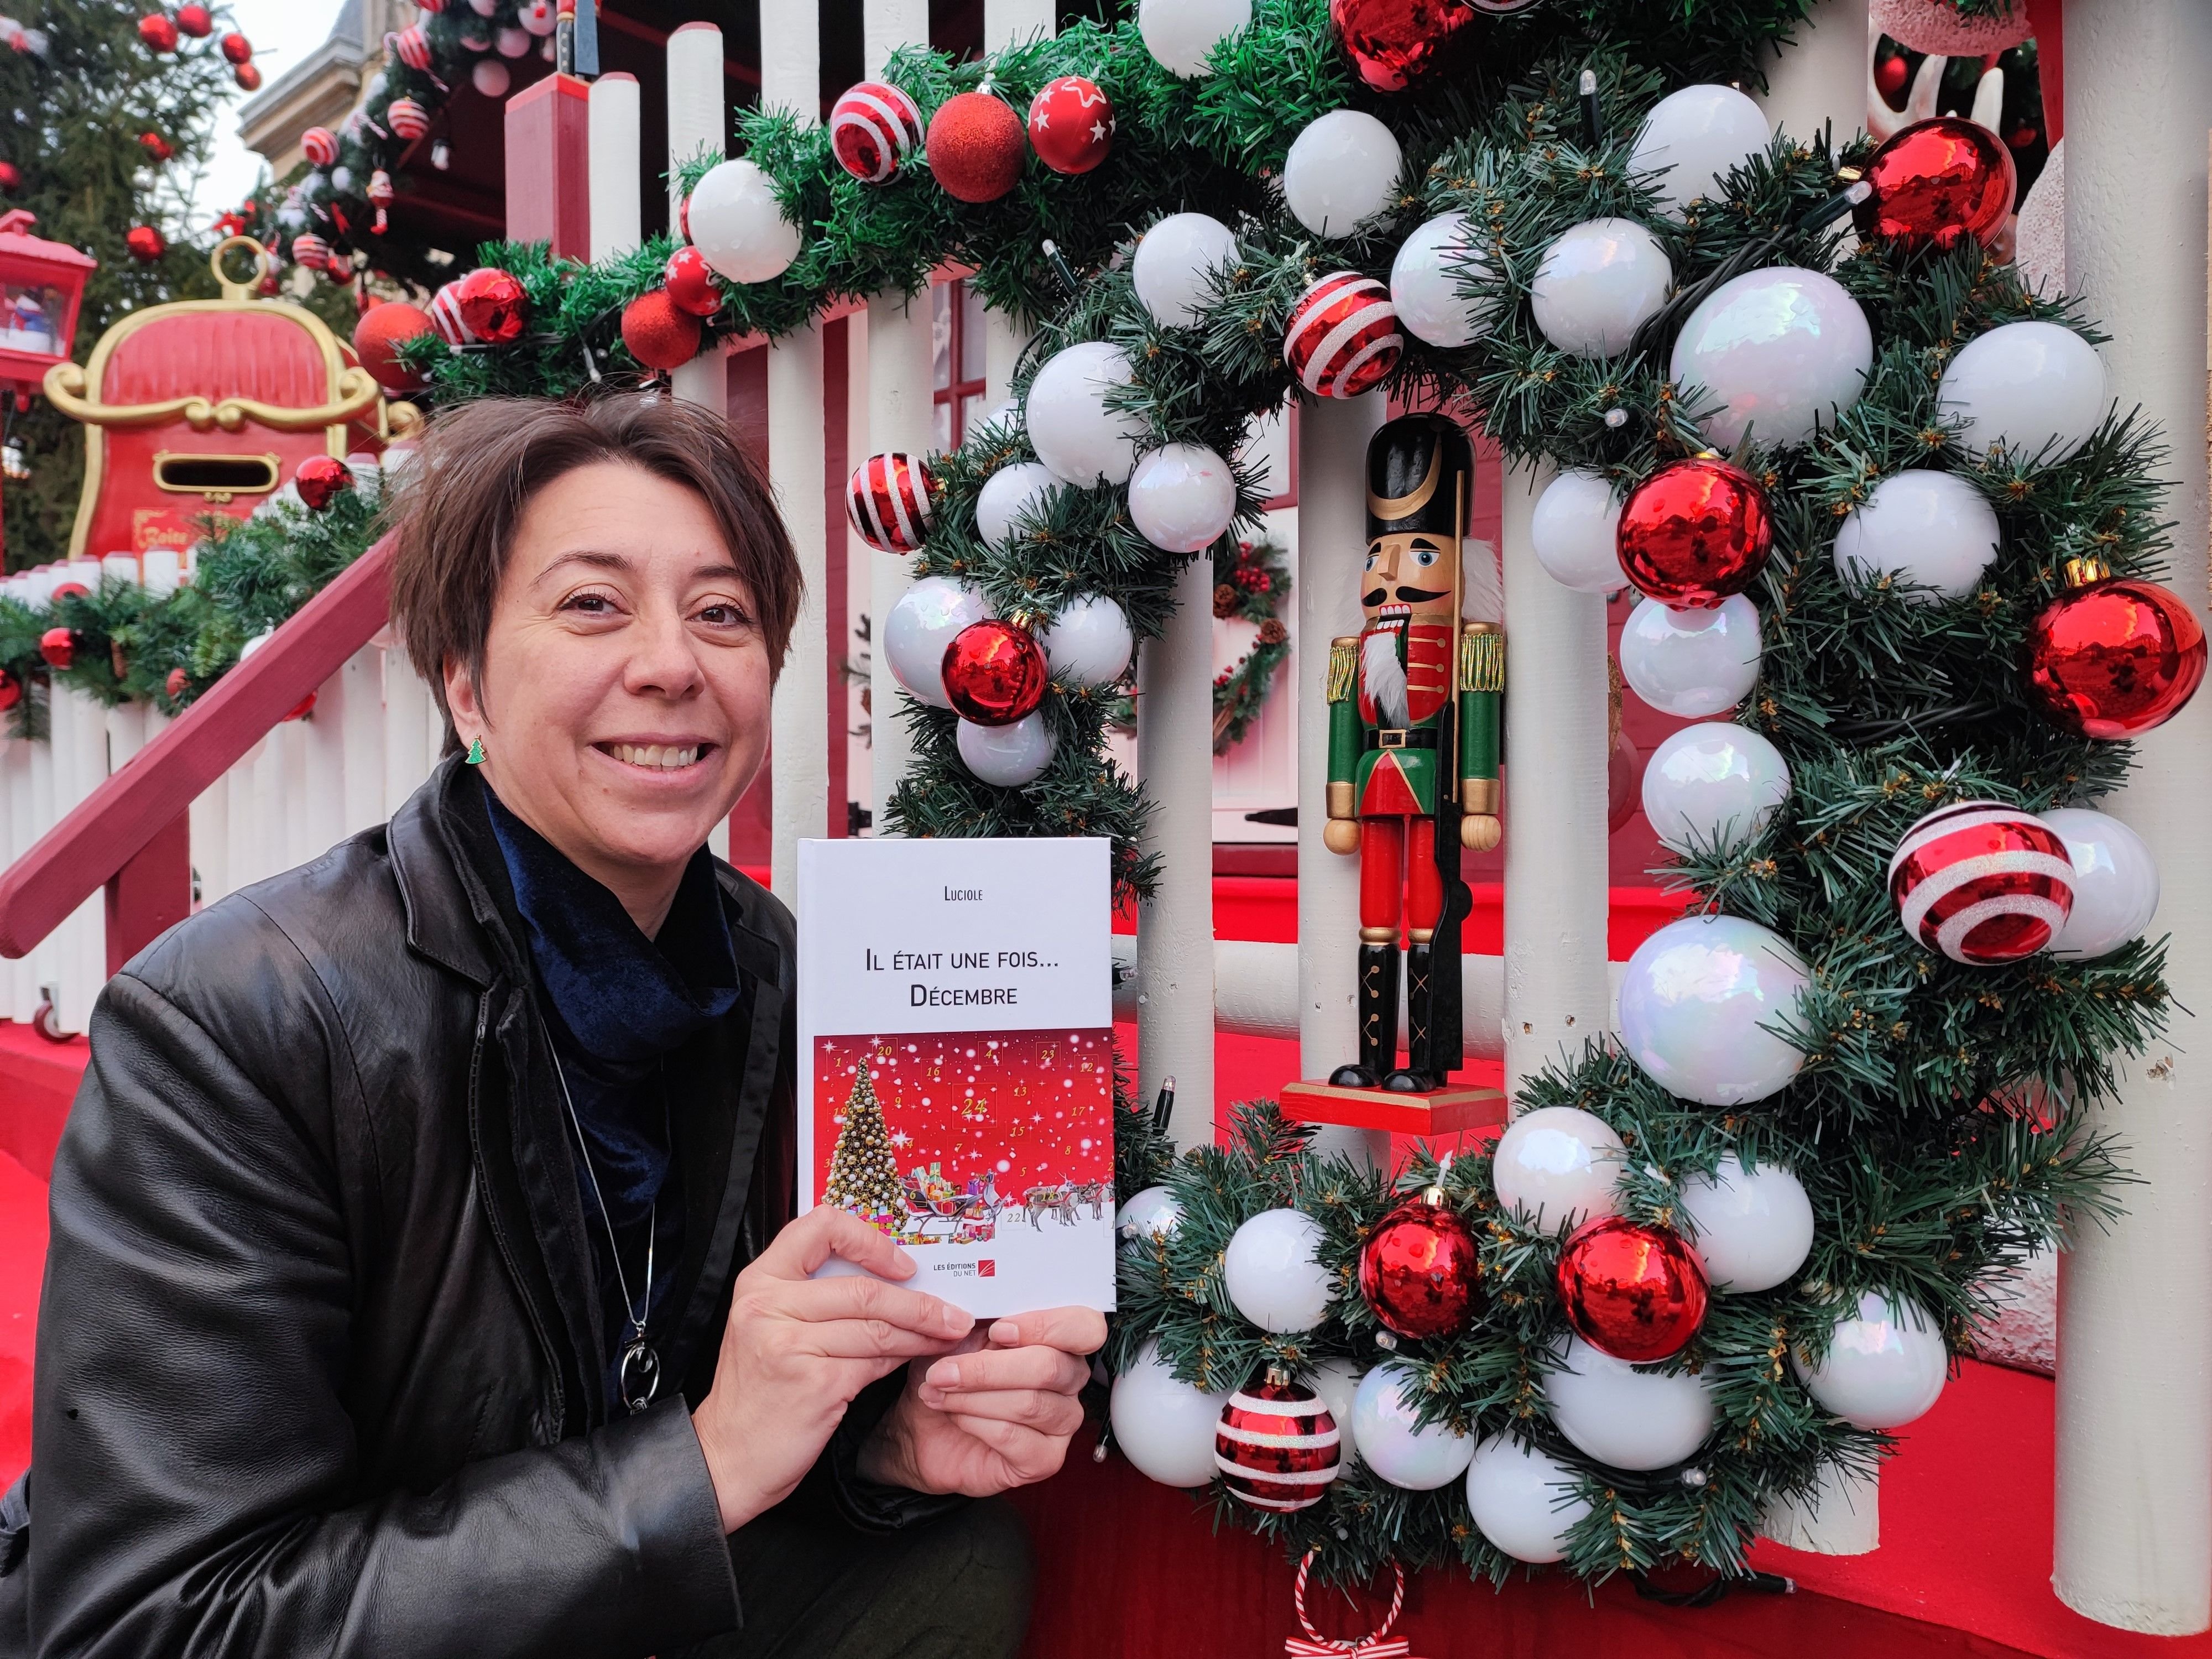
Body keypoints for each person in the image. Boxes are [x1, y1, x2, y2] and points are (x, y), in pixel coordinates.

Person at [4, 394, 1102, 1658]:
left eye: (722, 614)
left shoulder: (773, 968)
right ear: (464, 686)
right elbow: (150, 1623)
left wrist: (893, 1451)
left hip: (596, 1585)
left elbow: (715, 1389)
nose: (671, 664)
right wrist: (696, 1469)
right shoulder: (237, 1020)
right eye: (592, 604)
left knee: (951, 1561)